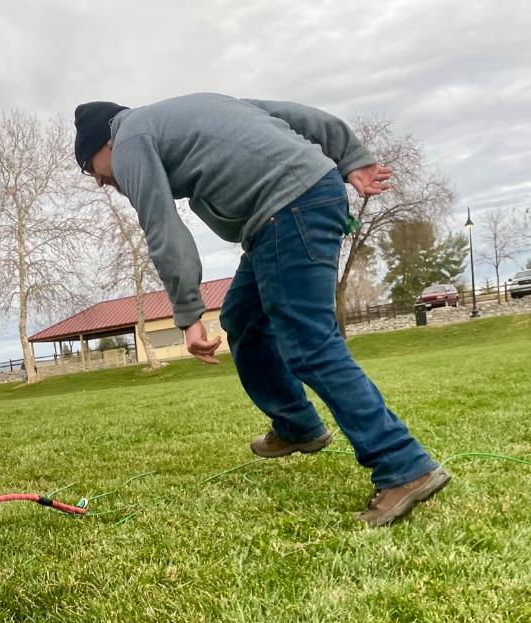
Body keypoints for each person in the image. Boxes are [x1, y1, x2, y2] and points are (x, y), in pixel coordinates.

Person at [73, 93, 449, 525]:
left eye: (94, 172)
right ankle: (297, 425)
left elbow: (162, 227)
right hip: (291, 207)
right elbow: (297, 115)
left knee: (308, 342)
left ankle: (404, 465)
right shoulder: (192, 109)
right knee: (244, 319)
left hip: (288, 209)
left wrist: (189, 314)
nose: (105, 182)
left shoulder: (130, 137)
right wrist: (350, 156)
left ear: (103, 145)